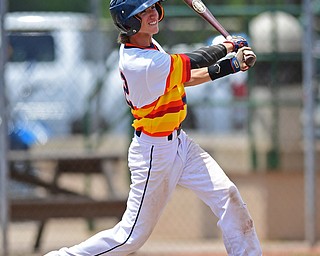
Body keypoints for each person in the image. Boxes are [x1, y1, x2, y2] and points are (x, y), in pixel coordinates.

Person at [45, 0, 262, 255]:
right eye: (143, 11)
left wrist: (232, 65)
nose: (152, 14)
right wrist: (226, 46)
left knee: (228, 196)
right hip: (154, 152)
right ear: (128, 21)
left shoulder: (149, 46)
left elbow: (185, 76)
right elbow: (192, 61)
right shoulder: (139, 62)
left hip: (181, 144)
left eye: (153, 8)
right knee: (130, 237)